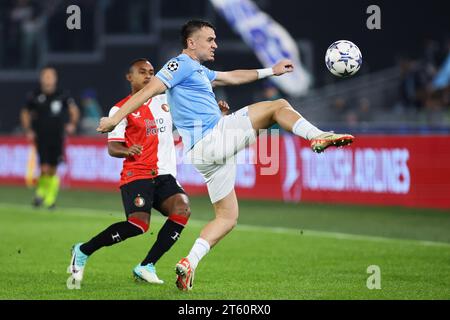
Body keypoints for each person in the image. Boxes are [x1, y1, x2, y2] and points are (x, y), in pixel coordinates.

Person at [97, 20, 355, 291]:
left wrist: (271, 71)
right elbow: (150, 90)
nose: (215, 44)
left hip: (204, 154)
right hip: (211, 138)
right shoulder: (179, 64)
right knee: (277, 106)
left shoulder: (198, 70)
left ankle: (189, 263)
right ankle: (316, 135)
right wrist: (116, 120)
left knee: (227, 217)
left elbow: (231, 76)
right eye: (209, 39)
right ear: (191, 42)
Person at [68, 58, 195, 285]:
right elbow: (112, 147)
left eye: (151, 72)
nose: (148, 76)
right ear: (129, 77)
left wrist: (217, 111)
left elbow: (189, 117)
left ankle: (147, 266)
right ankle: (83, 250)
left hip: (165, 174)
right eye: (142, 72)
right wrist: (128, 150)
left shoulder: (165, 101)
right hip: (137, 174)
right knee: (138, 225)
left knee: (182, 209)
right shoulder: (121, 108)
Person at [21, 66, 79, 209]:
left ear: (55, 78)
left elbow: (74, 110)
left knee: (53, 168)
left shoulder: (62, 94)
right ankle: (45, 197)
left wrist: (72, 124)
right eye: (45, 76)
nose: (48, 79)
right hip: (41, 136)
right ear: (41, 78)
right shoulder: (35, 95)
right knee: (44, 167)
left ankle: (46, 196)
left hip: (57, 136)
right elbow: (25, 113)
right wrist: (28, 130)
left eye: (50, 76)